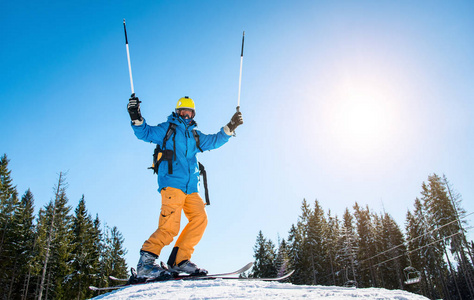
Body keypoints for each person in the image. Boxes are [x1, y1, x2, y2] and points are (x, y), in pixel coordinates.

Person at [127, 93, 243, 278]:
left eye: (189, 113)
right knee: (170, 227)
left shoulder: (194, 135)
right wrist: (136, 117)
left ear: (193, 114)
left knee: (200, 219)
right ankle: (146, 264)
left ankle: (180, 261)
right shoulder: (168, 129)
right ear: (177, 112)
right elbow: (145, 132)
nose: (186, 116)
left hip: (191, 188)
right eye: (183, 112)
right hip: (172, 184)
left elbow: (214, 140)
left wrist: (230, 127)